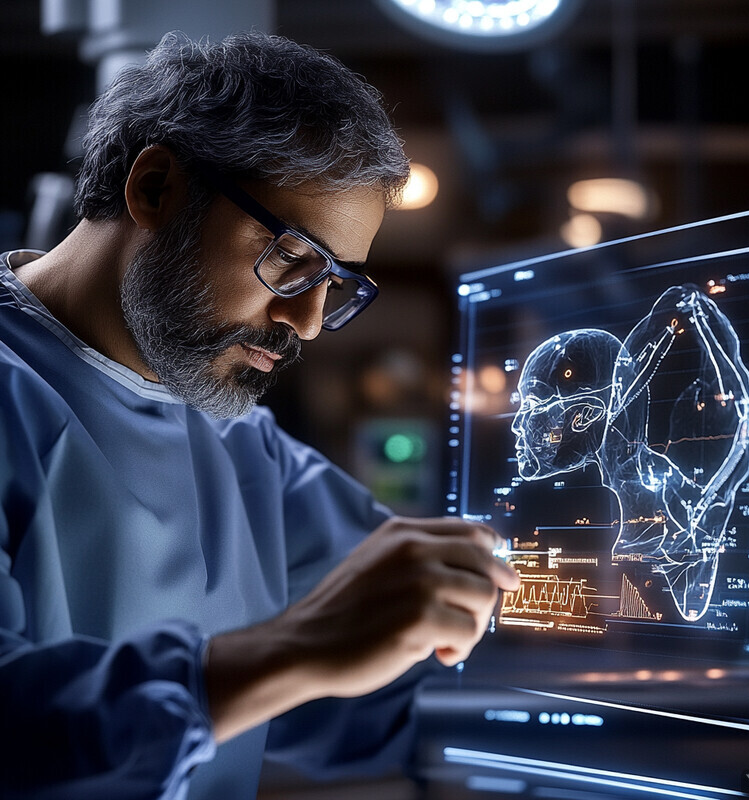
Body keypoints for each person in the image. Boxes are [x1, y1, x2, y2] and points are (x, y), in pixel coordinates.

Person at [0, 31, 520, 800]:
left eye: (337, 285)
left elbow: (392, 693)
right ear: (155, 189)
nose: (307, 322)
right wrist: (291, 651)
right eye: (291, 260)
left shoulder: (243, 450)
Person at [511, 285, 749, 621]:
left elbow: (734, 412)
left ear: (585, 415)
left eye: (534, 404)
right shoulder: (604, 509)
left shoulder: (677, 514)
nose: (517, 425)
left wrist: (692, 312)